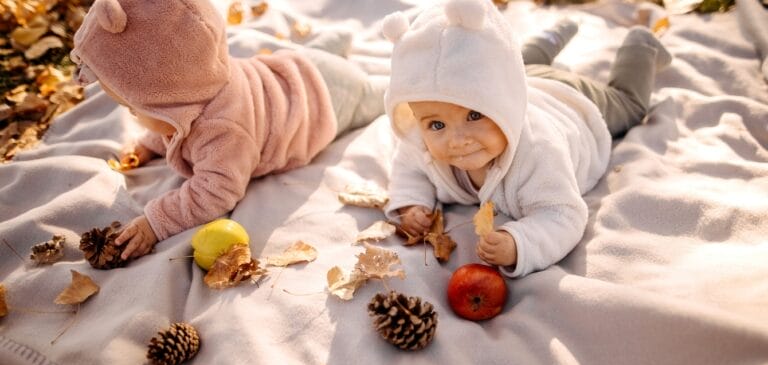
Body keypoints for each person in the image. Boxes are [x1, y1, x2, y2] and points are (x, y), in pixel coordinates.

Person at [70, 0, 385, 260]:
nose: (134, 117)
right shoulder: (199, 80)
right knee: (312, 58)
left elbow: (216, 191)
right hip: (292, 68)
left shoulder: (224, 132)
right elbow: (173, 123)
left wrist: (156, 222)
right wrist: (153, 143)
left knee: (375, 96)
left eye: (133, 109)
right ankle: (329, 47)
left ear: (170, 102)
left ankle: (372, 81)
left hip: (325, 98)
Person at [381, 0, 671, 278]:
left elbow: (563, 215)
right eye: (437, 124)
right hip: (524, 79)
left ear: (501, 102)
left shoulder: (539, 152)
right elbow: (409, 167)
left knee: (629, 106)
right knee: (520, 61)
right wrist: (411, 204)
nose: (457, 140)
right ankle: (557, 31)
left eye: (473, 116)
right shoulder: (423, 143)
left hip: (571, 100)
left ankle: (639, 44)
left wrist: (518, 242)